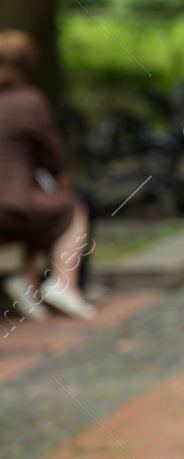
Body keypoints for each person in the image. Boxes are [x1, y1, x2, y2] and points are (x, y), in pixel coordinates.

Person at [0, 30, 96, 320]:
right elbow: (53, 157)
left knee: (39, 205)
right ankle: (63, 282)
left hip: (14, 202)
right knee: (71, 207)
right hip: (13, 203)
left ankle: (26, 283)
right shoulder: (29, 100)